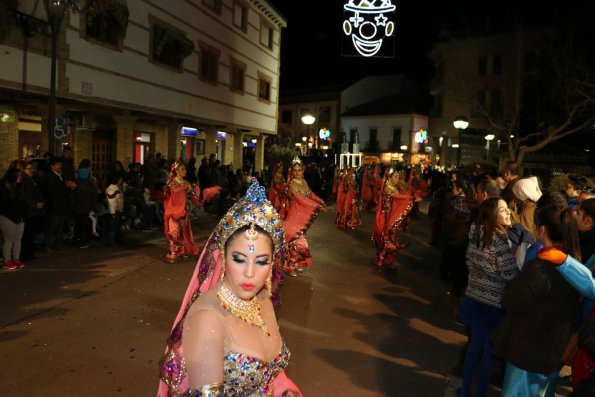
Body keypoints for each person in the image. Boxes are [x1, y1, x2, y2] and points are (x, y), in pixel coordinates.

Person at [157, 179, 301, 397]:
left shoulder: (261, 299)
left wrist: (283, 389)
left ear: (272, 264)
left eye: (261, 261)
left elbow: (271, 371)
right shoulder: (208, 318)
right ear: (223, 257)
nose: (250, 273)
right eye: (239, 259)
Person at [492, 204, 582, 396]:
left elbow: (511, 301)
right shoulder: (572, 262)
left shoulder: (540, 267)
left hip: (529, 348)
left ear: (542, 230)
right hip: (552, 348)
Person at [456, 197, 518, 397]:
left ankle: (465, 390)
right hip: (493, 303)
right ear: (492, 214)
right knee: (489, 351)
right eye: (503, 210)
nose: (508, 212)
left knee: (474, 346)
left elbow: (467, 261)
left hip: (474, 298)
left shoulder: (476, 233)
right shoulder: (500, 240)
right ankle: (480, 393)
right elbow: (510, 274)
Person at [163, 161, 219, 263]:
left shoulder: (186, 183)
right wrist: (186, 187)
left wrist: (196, 190)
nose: (185, 171)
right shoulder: (171, 183)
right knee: (174, 232)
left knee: (184, 232)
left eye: (185, 169)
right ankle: (173, 252)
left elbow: (194, 197)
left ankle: (182, 251)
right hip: (173, 211)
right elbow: (174, 191)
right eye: (182, 169)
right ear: (176, 170)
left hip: (184, 211)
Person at [282, 157, 326, 277]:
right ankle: (290, 268)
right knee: (298, 245)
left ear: (303, 171)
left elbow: (309, 194)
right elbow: (301, 199)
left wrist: (320, 201)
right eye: (295, 170)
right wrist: (317, 206)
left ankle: (295, 265)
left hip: (300, 219)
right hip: (293, 219)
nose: (297, 173)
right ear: (291, 172)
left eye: (299, 170)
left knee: (298, 245)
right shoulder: (292, 184)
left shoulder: (304, 182)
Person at [372, 169, 415, 270]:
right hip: (385, 217)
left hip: (391, 215)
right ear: (389, 178)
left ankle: (389, 260)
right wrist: (409, 199)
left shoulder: (395, 187)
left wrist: (410, 196)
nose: (397, 179)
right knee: (385, 239)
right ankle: (380, 260)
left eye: (397, 177)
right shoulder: (388, 188)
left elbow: (405, 191)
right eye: (395, 177)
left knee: (391, 238)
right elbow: (397, 198)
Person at [0, 168, 26, 270]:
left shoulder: (18, 187)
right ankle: (7, 261)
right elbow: (5, 205)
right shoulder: (4, 187)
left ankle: (16, 258)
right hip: (7, 216)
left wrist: (21, 216)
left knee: (18, 239)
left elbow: (21, 202)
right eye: (18, 176)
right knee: (8, 239)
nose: (20, 177)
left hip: (18, 216)